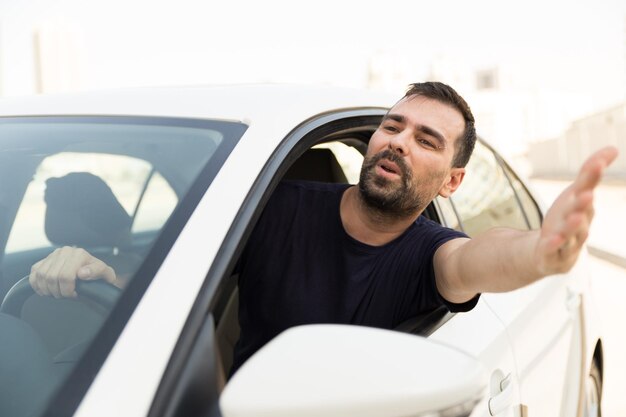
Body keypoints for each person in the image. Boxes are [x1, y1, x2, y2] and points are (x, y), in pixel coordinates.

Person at [29, 82, 619, 372]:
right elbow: (186, 267)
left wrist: (543, 255)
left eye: (426, 140)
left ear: (452, 183)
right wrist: (101, 268)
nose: (397, 142)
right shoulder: (274, 205)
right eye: (393, 126)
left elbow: (482, 258)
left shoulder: (431, 256)